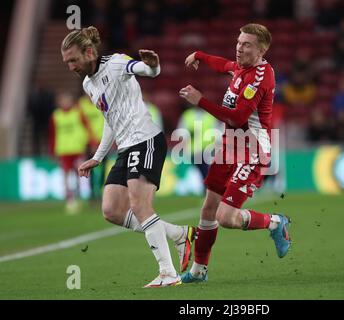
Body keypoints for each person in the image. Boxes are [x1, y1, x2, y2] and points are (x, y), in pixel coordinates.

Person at [61, 26, 195, 288]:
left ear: (89, 52)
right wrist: (99, 157)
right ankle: (180, 235)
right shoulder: (89, 84)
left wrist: (154, 66)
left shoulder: (116, 64)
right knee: (111, 210)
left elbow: (148, 71)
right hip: (125, 148)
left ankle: (168, 273)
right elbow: (110, 120)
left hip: (146, 141)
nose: (70, 67)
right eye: (66, 62)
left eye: (73, 60)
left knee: (140, 206)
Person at [179, 23, 292, 283]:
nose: (239, 48)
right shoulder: (242, 66)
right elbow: (224, 65)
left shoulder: (261, 77)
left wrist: (201, 101)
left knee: (225, 216)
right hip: (229, 146)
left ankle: (275, 222)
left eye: (246, 44)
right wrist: (200, 55)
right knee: (208, 208)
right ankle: (199, 271)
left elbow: (237, 117)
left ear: (262, 50)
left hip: (252, 150)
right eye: (239, 42)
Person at [49, 92, 91, 213]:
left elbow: (86, 127)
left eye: (67, 100)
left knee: (79, 174)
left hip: (77, 149)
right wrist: (52, 151)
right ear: (59, 102)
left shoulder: (77, 112)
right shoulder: (56, 116)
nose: (65, 103)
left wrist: (87, 141)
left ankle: (78, 195)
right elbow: (52, 135)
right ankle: (69, 198)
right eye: (63, 100)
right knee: (66, 176)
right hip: (64, 150)